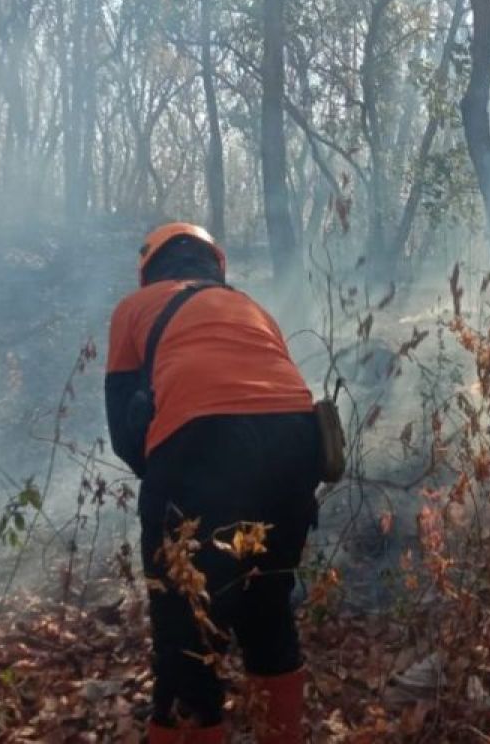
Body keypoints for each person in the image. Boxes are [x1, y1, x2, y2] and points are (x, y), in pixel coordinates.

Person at [105, 222, 319, 743]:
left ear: (149, 270)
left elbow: (125, 438)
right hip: (298, 438)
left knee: (186, 635)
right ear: (214, 265)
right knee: (267, 607)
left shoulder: (135, 308)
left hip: (202, 438)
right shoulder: (251, 307)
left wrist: (173, 475)